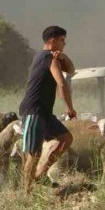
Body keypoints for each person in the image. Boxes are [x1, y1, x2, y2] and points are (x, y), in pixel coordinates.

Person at [19, 25, 76, 194]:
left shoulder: (50, 57)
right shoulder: (47, 58)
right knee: (32, 154)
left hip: (44, 112)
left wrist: (63, 56)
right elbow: (62, 82)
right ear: (52, 41)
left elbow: (71, 69)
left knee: (65, 138)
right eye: (62, 41)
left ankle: (39, 174)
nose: (64, 44)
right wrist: (69, 107)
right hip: (34, 110)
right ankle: (26, 193)